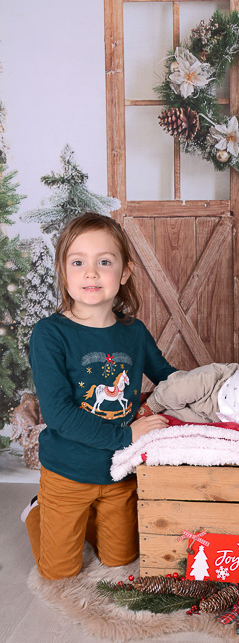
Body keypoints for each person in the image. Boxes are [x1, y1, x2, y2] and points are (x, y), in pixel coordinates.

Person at [22, 213, 175, 580]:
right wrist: (127, 435)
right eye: (78, 263)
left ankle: (90, 517)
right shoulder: (49, 334)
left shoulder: (133, 332)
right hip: (67, 472)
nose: (91, 273)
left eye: (104, 262)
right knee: (58, 572)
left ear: (124, 272)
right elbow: (58, 414)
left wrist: (216, 387)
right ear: (64, 271)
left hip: (119, 472)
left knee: (120, 560)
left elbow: (169, 379)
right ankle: (37, 511)